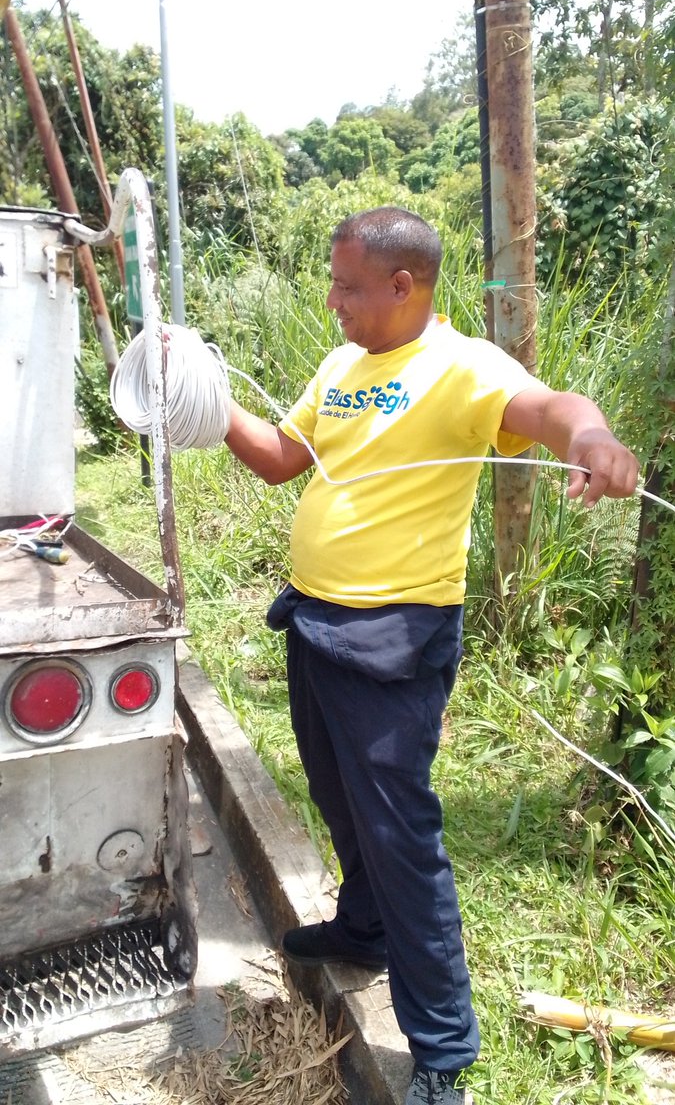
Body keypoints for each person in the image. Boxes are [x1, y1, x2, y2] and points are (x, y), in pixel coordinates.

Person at [224, 207, 639, 1105]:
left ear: (402, 285)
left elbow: (548, 408)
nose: (331, 301)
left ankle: (442, 1046)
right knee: (337, 793)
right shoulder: (340, 366)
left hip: (393, 636)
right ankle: (364, 930)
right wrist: (208, 403)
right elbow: (278, 460)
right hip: (313, 621)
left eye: (345, 285)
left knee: (399, 830)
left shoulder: (461, 367)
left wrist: (593, 438)